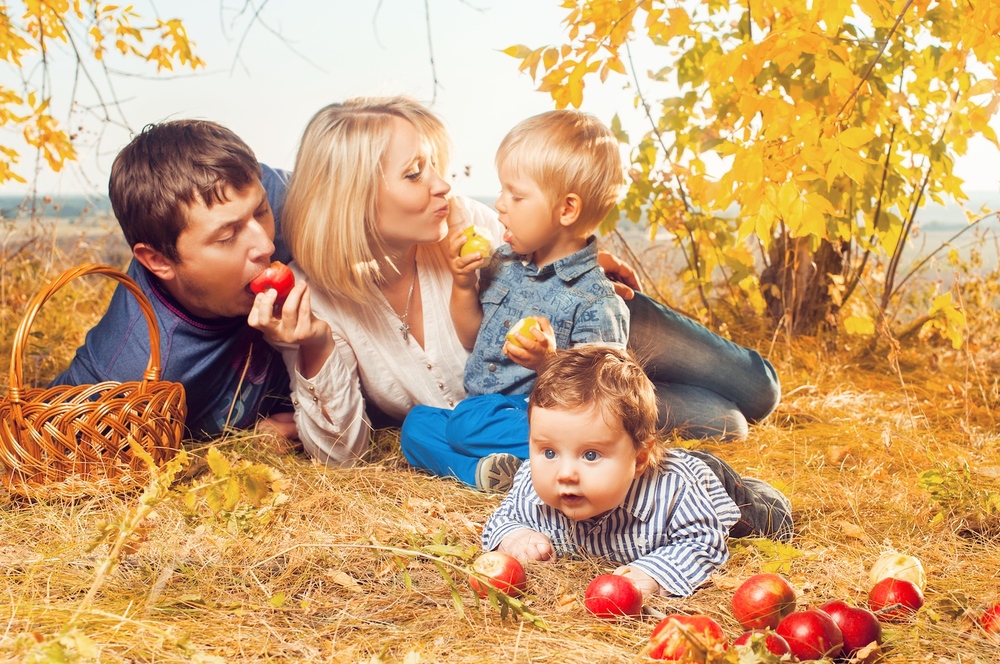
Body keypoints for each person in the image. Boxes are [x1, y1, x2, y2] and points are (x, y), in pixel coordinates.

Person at [248, 95, 780, 474]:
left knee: (758, 391)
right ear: (354, 197)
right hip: (552, 402)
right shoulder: (312, 304)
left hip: (595, 323)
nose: (442, 184)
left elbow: (550, 229)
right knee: (724, 422)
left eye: (434, 165)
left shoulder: (461, 223)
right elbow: (341, 456)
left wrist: (582, 256)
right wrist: (315, 345)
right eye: (415, 173)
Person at [399, 109, 630, 491]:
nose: (501, 205)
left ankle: (539, 459)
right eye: (502, 190)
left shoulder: (595, 301)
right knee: (417, 425)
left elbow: (600, 401)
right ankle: (491, 473)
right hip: (483, 411)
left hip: (538, 418)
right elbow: (472, 337)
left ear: (567, 210)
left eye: (516, 195)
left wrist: (548, 363)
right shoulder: (503, 265)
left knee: (467, 423)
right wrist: (461, 282)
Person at [481, 346, 793, 598]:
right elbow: (504, 516)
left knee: (762, 519)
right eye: (549, 452)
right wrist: (514, 536)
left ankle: (761, 494)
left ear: (639, 459)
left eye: (590, 455)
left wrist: (654, 573)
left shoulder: (674, 493)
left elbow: (703, 540)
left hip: (708, 484)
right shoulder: (534, 483)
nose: (564, 473)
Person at [52, 120, 296, 440]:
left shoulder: (281, 200)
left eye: (261, 211)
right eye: (227, 236)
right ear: (159, 260)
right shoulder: (129, 369)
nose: (265, 244)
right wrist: (245, 447)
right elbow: (45, 437)